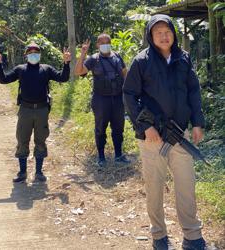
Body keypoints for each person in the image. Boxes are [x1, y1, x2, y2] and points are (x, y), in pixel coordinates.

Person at [123, 15, 207, 250]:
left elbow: (193, 92)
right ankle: (159, 235)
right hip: (153, 138)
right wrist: (145, 127)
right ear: (150, 36)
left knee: (186, 186)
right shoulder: (141, 61)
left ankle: (192, 236)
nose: (163, 35)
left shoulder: (183, 59)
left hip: (180, 135)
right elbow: (129, 95)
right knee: (155, 187)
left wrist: (197, 123)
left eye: (167, 30)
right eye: (157, 31)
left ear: (174, 33)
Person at [0, 42, 71, 182]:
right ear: (26, 55)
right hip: (25, 110)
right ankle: (22, 173)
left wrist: (66, 63)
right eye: (30, 52)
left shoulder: (46, 69)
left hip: (42, 110)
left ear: (40, 55)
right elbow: (3, 80)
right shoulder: (20, 69)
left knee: (40, 140)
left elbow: (63, 78)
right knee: (22, 140)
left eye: (36, 52)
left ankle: (39, 172)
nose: (33, 55)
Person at [74, 34, 130, 166]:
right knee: (100, 128)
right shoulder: (93, 59)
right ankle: (101, 157)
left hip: (117, 98)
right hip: (100, 100)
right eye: (102, 43)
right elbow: (78, 72)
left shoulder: (117, 57)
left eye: (107, 42)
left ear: (110, 43)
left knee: (118, 128)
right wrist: (83, 53)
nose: (105, 45)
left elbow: (125, 74)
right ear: (98, 45)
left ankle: (118, 155)